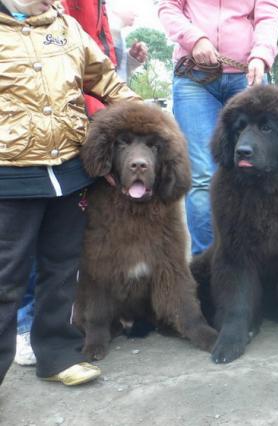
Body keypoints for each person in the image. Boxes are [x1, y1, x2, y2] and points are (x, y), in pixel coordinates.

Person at [0, 0, 140, 386]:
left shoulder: (67, 29)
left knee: (62, 269)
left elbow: (107, 82)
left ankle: (58, 356)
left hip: (68, 172)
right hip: (10, 174)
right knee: (5, 279)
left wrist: (147, 116)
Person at [157, 0, 278, 256]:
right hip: (194, 77)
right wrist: (196, 39)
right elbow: (167, 7)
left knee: (261, 170)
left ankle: (261, 257)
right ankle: (209, 262)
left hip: (248, 74)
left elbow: (268, 14)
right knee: (203, 176)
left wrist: (261, 54)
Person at [105, 0, 148, 82]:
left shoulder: (118, 33)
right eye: (131, 7)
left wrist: (132, 58)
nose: (135, 14)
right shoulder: (109, 30)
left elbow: (119, 72)